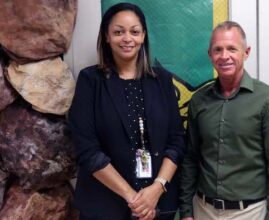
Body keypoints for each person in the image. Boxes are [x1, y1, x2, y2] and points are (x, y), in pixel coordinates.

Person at [68, 3, 185, 220]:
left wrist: (157, 189)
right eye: (118, 32)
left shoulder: (162, 80)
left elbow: (176, 141)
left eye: (134, 31)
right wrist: (134, 199)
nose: (127, 38)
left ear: (143, 36)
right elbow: (87, 150)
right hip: (104, 207)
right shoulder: (90, 81)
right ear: (106, 37)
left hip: (158, 206)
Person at [179, 21, 269, 220]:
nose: (224, 56)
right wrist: (187, 212)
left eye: (232, 49)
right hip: (203, 210)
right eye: (218, 50)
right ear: (210, 55)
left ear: (246, 52)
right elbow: (190, 158)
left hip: (250, 213)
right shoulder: (199, 101)